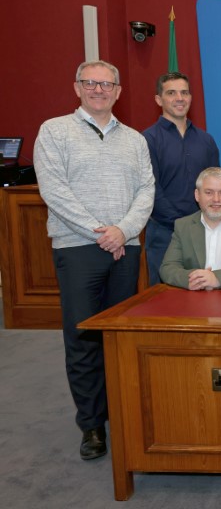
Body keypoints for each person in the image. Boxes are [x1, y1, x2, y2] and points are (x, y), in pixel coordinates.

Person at [33, 60, 154, 460]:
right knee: (83, 337)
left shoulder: (135, 139)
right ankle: (91, 425)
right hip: (79, 247)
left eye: (107, 84)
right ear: (77, 87)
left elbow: (146, 190)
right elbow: (54, 190)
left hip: (125, 248)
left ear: (119, 91)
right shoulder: (54, 132)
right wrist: (101, 232)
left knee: (118, 337)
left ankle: (120, 415)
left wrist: (123, 230)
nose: (99, 90)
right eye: (91, 83)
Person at [143, 72, 220, 285]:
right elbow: (150, 190)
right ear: (159, 99)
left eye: (184, 92)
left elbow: (216, 188)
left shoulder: (206, 140)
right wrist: (182, 224)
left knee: (205, 301)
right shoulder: (147, 140)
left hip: (205, 233)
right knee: (164, 302)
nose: (180, 98)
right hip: (164, 235)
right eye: (171, 93)